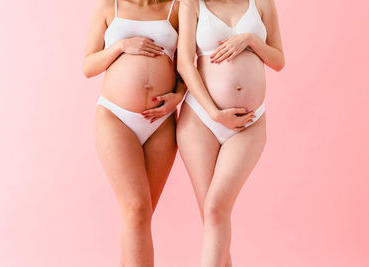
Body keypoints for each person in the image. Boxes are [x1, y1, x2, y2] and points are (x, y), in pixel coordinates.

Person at [176, 0, 285, 266]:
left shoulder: (261, 3)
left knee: (216, 209)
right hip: (201, 120)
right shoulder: (191, 4)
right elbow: (184, 64)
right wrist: (213, 112)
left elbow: (279, 60)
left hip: (249, 123)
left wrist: (250, 40)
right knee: (213, 216)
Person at [82, 0, 185, 266]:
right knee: (137, 210)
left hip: (161, 123)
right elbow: (88, 66)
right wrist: (120, 46)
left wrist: (179, 94)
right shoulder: (108, 8)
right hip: (116, 117)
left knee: (140, 216)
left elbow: (190, 62)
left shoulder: (177, 7)